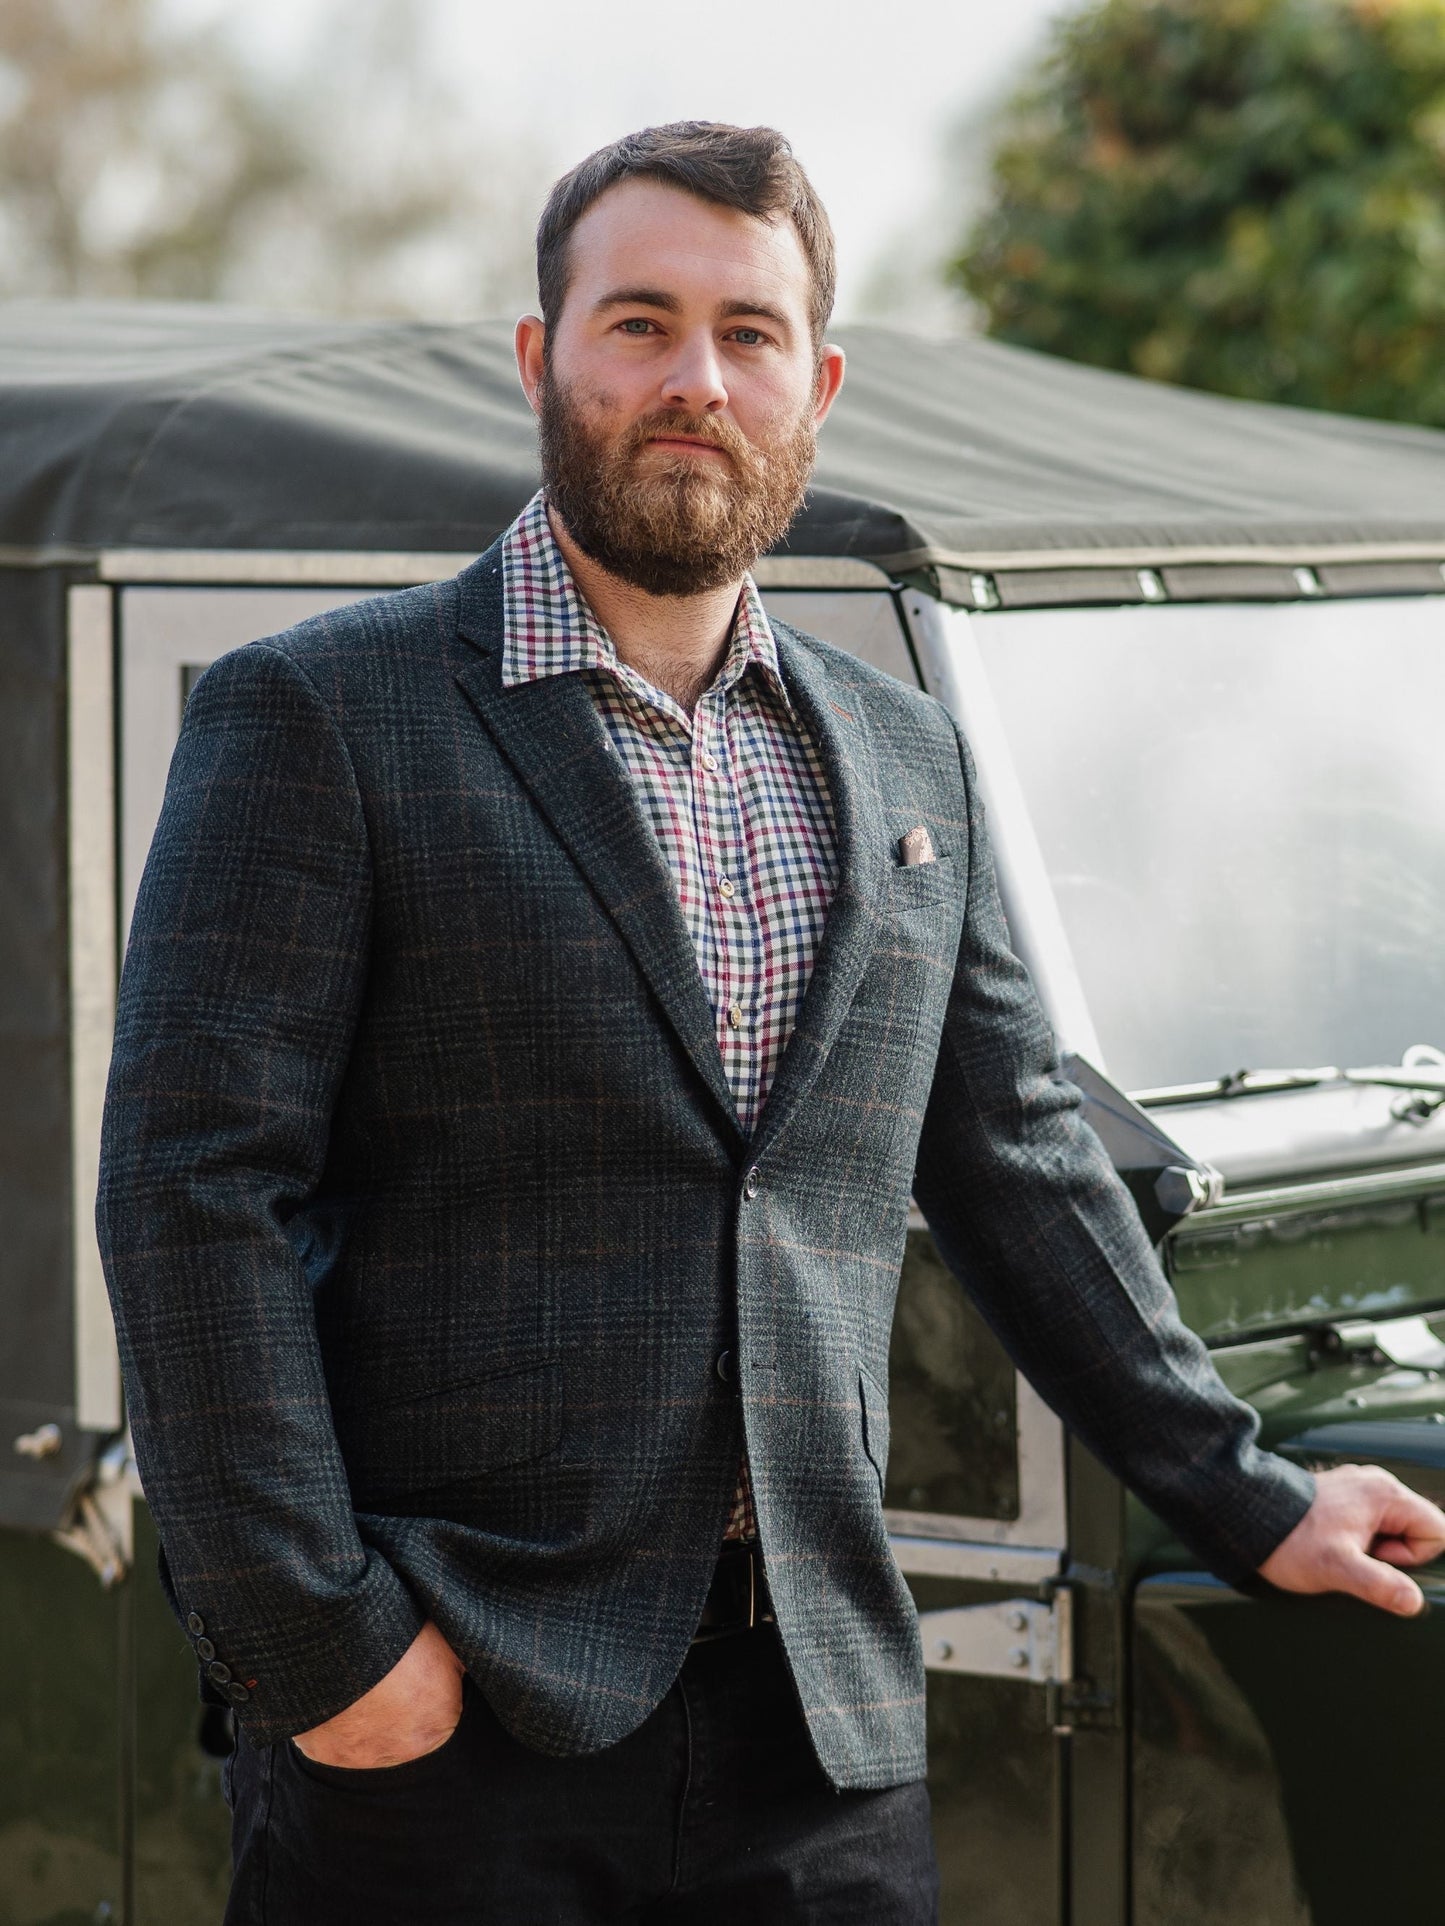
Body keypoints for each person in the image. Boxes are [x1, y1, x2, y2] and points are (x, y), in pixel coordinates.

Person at [97, 121, 1445, 1926]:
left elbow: (1018, 1151)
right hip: (453, 1709)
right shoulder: (321, 716)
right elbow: (194, 1194)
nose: (692, 381)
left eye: (744, 334)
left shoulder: (900, 754)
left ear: (811, 386)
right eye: (636, 322)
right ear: (541, 357)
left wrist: (1248, 1487)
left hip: (818, 1721)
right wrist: (317, 1643)